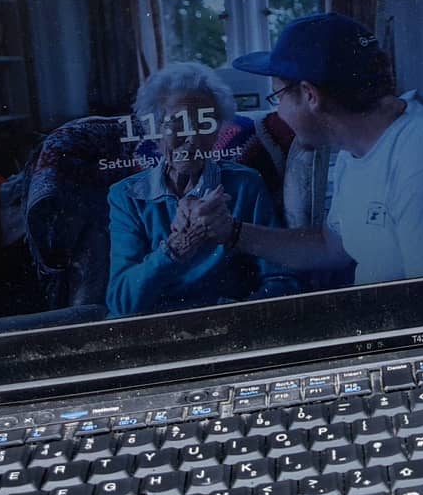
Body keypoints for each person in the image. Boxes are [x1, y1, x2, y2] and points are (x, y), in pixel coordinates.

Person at [192, 13, 423, 286]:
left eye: (278, 97)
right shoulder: (353, 147)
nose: (278, 113)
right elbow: (330, 246)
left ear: (310, 95)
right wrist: (231, 231)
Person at [105, 63, 295, 318]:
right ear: (155, 131)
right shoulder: (127, 196)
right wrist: (172, 251)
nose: (192, 138)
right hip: (155, 326)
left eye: (204, 124)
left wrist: (241, 316)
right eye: (178, 124)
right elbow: (121, 303)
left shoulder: (244, 185)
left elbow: (281, 278)